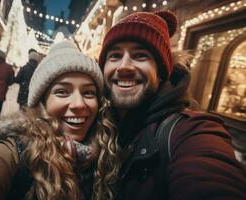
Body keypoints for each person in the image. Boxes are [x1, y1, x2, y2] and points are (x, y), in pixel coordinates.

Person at [98, 11, 246, 199]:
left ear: (161, 73)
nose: (124, 66)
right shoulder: (100, 120)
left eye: (140, 55)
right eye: (115, 56)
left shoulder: (190, 130)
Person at [0, 40, 119, 200]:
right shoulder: (17, 151)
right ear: (42, 102)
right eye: (62, 92)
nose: (79, 104)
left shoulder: (108, 149)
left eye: (88, 92)